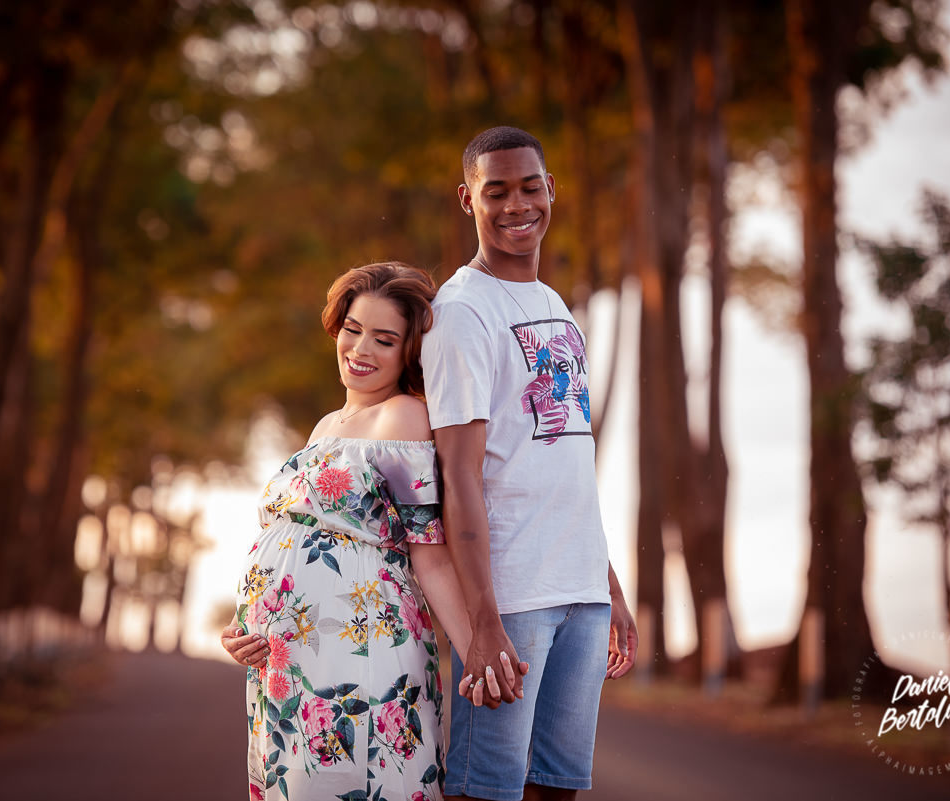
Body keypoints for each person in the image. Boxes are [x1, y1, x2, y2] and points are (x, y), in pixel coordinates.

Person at [220, 262, 517, 801]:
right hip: (285, 664)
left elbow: (430, 554)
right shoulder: (325, 426)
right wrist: (244, 623)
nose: (360, 349)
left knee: (359, 782)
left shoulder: (403, 417)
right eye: (353, 329)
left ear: (409, 352)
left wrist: (477, 650)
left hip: (359, 652)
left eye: (384, 339)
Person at [420, 126, 639, 801]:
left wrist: (608, 584)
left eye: (529, 187)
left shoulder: (554, 305)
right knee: (486, 789)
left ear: (551, 190)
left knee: (557, 787)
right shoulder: (461, 312)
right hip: (512, 597)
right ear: (468, 200)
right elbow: (458, 475)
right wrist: (481, 620)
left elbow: (561, 465)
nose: (517, 205)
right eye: (497, 192)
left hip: (580, 593)